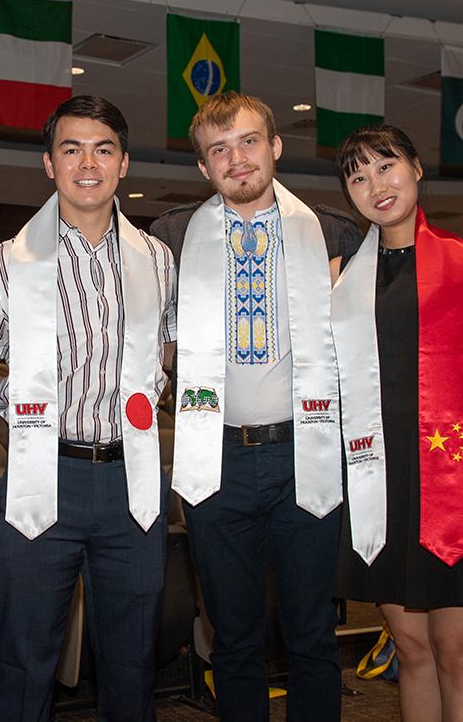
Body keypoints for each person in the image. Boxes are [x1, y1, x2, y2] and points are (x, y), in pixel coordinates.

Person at [151, 91, 361, 722]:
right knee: (233, 637)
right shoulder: (173, 234)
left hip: (309, 453)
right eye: (219, 150)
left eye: (247, 142)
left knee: (312, 635)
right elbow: (151, 338)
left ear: (274, 146)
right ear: (203, 168)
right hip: (218, 462)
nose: (235, 159)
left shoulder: (335, 232)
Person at [0, 95, 176, 722]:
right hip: (43, 476)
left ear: (122, 165)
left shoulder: (158, 261)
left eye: (103, 149)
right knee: (23, 660)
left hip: (132, 482)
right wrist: (16, 400)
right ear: (48, 163)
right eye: (71, 149)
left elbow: (166, 355)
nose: (87, 163)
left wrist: (159, 388)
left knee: (131, 663)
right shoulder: (9, 263)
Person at [332, 124, 463, 722]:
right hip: (377, 480)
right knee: (410, 649)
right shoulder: (341, 282)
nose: (375, 185)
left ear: (415, 167)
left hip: (450, 476)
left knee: (454, 649)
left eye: (385, 167)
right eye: (357, 177)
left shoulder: (459, 263)